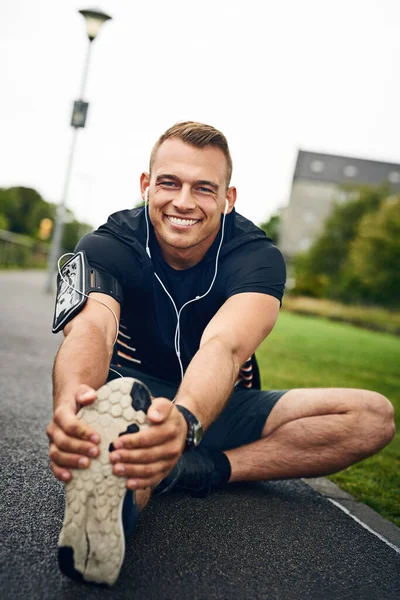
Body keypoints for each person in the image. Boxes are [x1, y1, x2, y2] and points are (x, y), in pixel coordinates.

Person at [46, 121, 395, 586]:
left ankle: (199, 469)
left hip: (218, 403)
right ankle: (115, 504)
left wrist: (185, 421)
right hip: (132, 396)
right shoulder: (107, 244)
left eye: (203, 188)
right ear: (147, 186)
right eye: (169, 183)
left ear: (228, 199)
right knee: (130, 434)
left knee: (373, 416)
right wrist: (75, 399)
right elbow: (92, 327)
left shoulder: (257, 257)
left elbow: (224, 347)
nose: (184, 201)